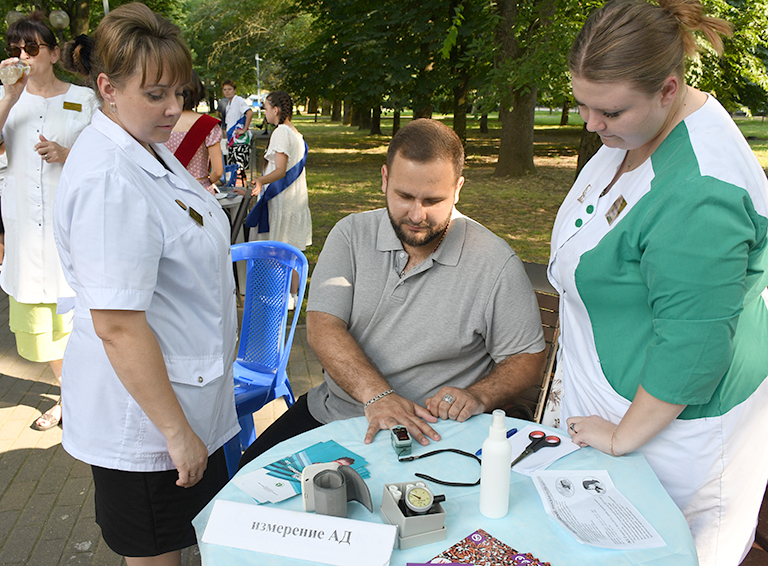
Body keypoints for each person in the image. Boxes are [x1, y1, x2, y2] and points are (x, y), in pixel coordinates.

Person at [548, 1, 768, 564]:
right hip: (611, 410)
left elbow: (693, 348)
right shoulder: (634, 133)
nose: (592, 125)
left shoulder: (700, 195)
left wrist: (623, 436)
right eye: (582, 105)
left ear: (668, 89)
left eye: (610, 112)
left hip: (668, 443)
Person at [240, 119, 546, 468]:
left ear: (458, 189)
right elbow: (323, 327)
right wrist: (379, 397)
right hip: (333, 416)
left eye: (433, 200)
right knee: (239, 491)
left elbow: (526, 357)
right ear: (384, 179)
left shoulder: (494, 262)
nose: (417, 215)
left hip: (429, 437)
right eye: (404, 196)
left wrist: (478, 396)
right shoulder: (351, 234)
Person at [54, 4, 238, 564]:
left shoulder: (144, 145)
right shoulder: (111, 178)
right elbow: (117, 324)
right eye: (156, 93)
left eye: (180, 92)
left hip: (182, 400)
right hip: (148, 427)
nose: (174, 108)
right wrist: (176, 433)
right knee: (158, 556)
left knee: (182, 545)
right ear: (107, 87)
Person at [0, 13, 99, 431]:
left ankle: (86, 396)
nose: (23, 56)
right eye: (15, 49)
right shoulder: (5, 97)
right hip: (25, 231)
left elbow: (106, 156)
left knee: (85, 318)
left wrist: (66, 153)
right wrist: (9, 96)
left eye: (32, 48)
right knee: (46, 324)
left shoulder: (84, 98)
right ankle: (67, 394)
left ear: (54, 53)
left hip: (75, 228)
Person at [248, 90, 312, 309]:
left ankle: (278, 296)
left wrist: (259, 180)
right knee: (292, 249)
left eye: (265, 108)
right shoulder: (296, 133)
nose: (264, 113)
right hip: (295, 200)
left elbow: (280, 171)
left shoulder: (281, 133)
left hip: (282, 200)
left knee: (276, 249)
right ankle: (291, 297)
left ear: (275, 110)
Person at [164, 70, 223, 194]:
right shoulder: (209, 125)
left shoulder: (159, 123)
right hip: (199, 190)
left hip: (168, 190)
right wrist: (206, 182)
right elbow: (217, 171)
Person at [222, 79, 252, 172]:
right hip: (232, 140)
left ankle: (241, 186)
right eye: (225, 89)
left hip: (239, 140)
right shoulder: (228, 105)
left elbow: (249, 112)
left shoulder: (238, 100)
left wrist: (244, 129)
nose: (227, 91)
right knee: (233, 168)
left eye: (229, 89)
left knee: (239, 169)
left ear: (234, 90)